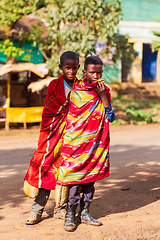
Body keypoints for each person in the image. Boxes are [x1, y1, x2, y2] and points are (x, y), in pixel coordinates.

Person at [56, 55, 115, 231]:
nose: (96, 76)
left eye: (99, 72)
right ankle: (69, 214)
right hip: (76, 145)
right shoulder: (76, 92)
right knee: (75, 179)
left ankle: (85, 212)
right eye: (92, 72)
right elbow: (70, 119)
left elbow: (110, 117)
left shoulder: (105, 91)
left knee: (90, 180)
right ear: (84, 72)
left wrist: (103, 95)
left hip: (96, 145)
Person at [24, 51, 80, 225]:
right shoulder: (53, 85)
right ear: (60, 67)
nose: (71, 71)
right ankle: (37, 210)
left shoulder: (82, 86)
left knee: (66, 170)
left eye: (74, 68)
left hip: (73, 136)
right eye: (67, 67)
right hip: (52, 134)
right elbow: (49, 111)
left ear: (78, 67)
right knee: (45, 167)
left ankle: (61, 209)